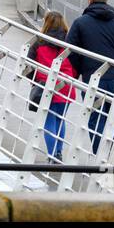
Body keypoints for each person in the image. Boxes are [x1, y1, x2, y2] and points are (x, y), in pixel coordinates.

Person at [66, 0, 114, 154]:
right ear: (106, 0)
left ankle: (102, 157)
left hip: (92, 78)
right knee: (113, 118)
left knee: (94, 119)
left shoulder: (80, 22)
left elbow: (71, 50)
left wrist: (81, 68)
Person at [31, 12, 77, 161]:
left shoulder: (39, 41)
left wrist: (35, 81)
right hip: (66, 86)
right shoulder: (69, 42)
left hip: (46, 86)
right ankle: (58, 151)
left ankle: (51, 155)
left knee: (48, 120)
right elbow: (76, 64)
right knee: (60, 119)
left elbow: (28, 63)